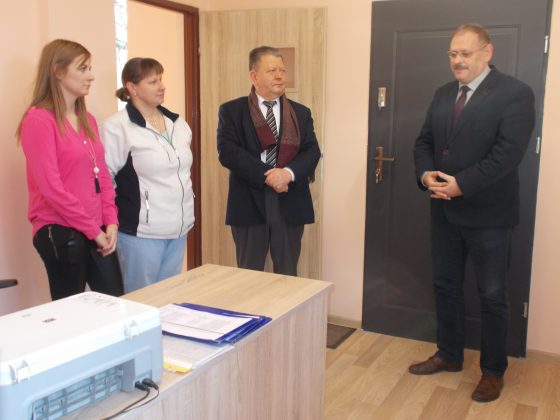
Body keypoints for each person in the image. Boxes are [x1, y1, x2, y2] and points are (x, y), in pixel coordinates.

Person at [410, 24, 535, 402]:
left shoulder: (515, 93)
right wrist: (426, 175)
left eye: (465, 53)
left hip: (490, 217)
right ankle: (449, 354)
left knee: (493, 296)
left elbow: (507, 155)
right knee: (446, 286)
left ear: (487, 52)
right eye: (452, 54)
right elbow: (424, 142)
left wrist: (461, 184)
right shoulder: (443, 93)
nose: (457, 61)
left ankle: (493, 371)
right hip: (444, 212)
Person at [18, 39, 123, 300]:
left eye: (90, 68)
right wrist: (93, 230)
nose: (91, 76)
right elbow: (52, 189)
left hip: (96, 227)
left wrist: (111, 221)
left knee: (116, 304)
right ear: (57, 71)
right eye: (83, 68)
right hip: (61, 229)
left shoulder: (88, 120)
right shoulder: (38, 120)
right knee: (70, 312)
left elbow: (102, 176)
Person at [217, 46, 321, 276]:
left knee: (287, 275)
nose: (280, 76)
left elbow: (312, 151)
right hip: (249, 200)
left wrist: (287, 174)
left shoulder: (300, 113)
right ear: (254, 76)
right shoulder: (232, 111)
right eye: (272, 71)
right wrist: (269, 175)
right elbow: (228, 152)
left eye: (282, 70)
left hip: (290, 199)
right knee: (249, 275)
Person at [101, 58, 194, 293]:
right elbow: (104, 180)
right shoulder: (117, 127)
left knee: (169, 298)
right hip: (141, 233)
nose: (161, 86)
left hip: (178, 228)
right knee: (141, 301)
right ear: (132, 87)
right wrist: (109, 222)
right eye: (153, 82)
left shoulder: (177, 123)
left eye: (161, 79)